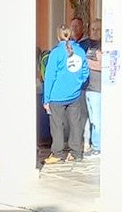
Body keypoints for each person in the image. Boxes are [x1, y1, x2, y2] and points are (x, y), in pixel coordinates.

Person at [42, 25, 89, 164]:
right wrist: (78, 83)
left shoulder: (56, 53)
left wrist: (46, 98)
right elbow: (85, 72)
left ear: (58, 36)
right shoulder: (80, 51)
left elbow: (49, 76)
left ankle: (58, 153)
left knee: (57, 125)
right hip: (74, 94)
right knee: (75, 123)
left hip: (57, 96)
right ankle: (75, 152)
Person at [81, 18, 103, 155]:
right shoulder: (89, 45)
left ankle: (97, 147)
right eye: (93, 29)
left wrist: (86, 63)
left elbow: (103, 65)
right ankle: (89, 143)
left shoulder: (103, 46)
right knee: (90, 119)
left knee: (97, 120)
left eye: (98, 29)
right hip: (88, 88)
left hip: (97, 89)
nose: (95, 32)